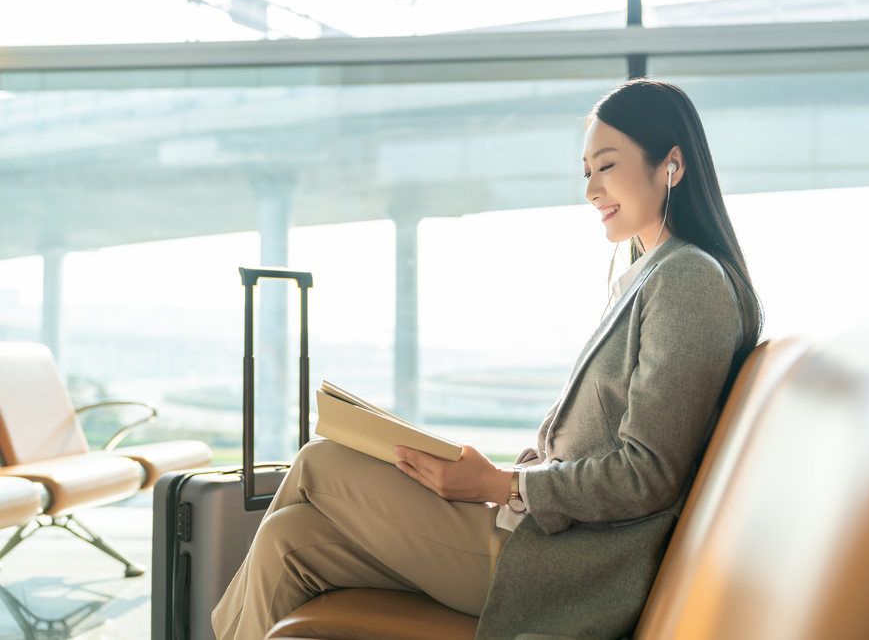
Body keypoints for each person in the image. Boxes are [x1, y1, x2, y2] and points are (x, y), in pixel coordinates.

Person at [211, 78, 763, 640]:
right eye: (587, 171)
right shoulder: (647, 277)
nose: (592, 189)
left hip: (560, 563)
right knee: (288, 541)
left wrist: (503, 485)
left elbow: (648, 474)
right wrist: (503, 479)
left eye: (607, 165)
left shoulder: (689, 280)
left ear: (671, 165)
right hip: (535, 527)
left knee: (320, 462)